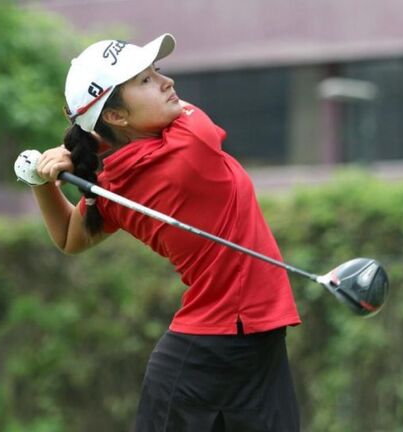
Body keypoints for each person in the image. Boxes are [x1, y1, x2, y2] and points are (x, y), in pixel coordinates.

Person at [29, 34, 301, 431]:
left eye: (157, 72)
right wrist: (72, 161)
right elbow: (77, 234)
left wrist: (41, 181)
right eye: (144, 80)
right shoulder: (193, 141)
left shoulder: (114, 183)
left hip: (243, 344)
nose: (166, 82)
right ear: (117, 116)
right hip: (211, 356)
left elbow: (72, 237)